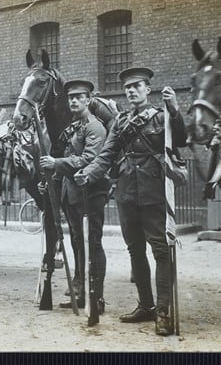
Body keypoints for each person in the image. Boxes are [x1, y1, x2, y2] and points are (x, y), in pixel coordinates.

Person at [74, 67, 187, 336]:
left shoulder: (161, 117)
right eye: (128, 88)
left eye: (137, 86)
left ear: (148, 89)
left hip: (154, 194)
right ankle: (146, 305)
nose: (132, 91)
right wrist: (88, 173)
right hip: (126, 194)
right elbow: (106, 154)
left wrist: (175, 110)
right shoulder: (122, 122)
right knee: (135, 250)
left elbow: (181, 139)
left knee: (160, 251)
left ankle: (162, 311)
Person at [38, 80, 108, 312]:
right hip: (72, 194)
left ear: (89, 99)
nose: (74, 101)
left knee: (93, 244)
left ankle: (96, 298)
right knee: (79, 243)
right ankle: (81, 292)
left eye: (79, 97)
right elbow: (63, 160)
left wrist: (56, 163)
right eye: (71, 98)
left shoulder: (94, 127)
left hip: (91, 194)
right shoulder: (72, 128)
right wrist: (48, 182)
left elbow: (89, 159)